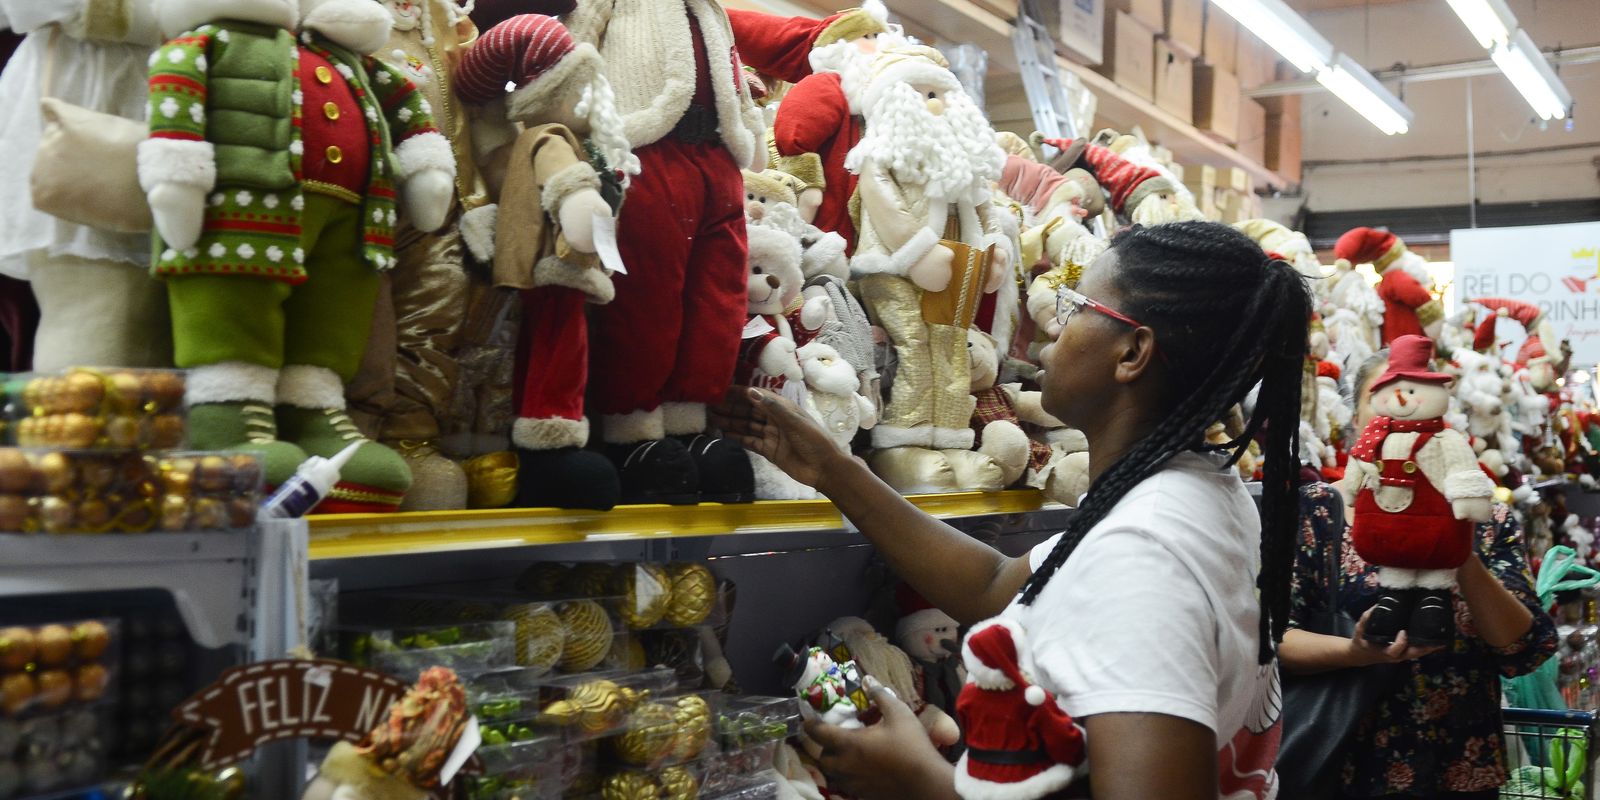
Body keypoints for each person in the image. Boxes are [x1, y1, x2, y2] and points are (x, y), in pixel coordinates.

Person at [714, 221, 1312, 799]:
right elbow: (997, 584)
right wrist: (832, 470)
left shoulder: (1143, 557)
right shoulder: (1184, 491)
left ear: (1132, 352)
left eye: (1078, 307)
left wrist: (925, 783)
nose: (1053, 330)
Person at [1280, 350, 1558, 799]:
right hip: (1343, 762)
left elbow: (1524, 648)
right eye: (1385, 395)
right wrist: (1356, 652)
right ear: (1356, 418)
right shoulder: (1316, 512)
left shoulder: (1486, 518)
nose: (1403, 410)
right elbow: (1271, 639)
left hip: (1460, 768)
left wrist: (1454, 545)